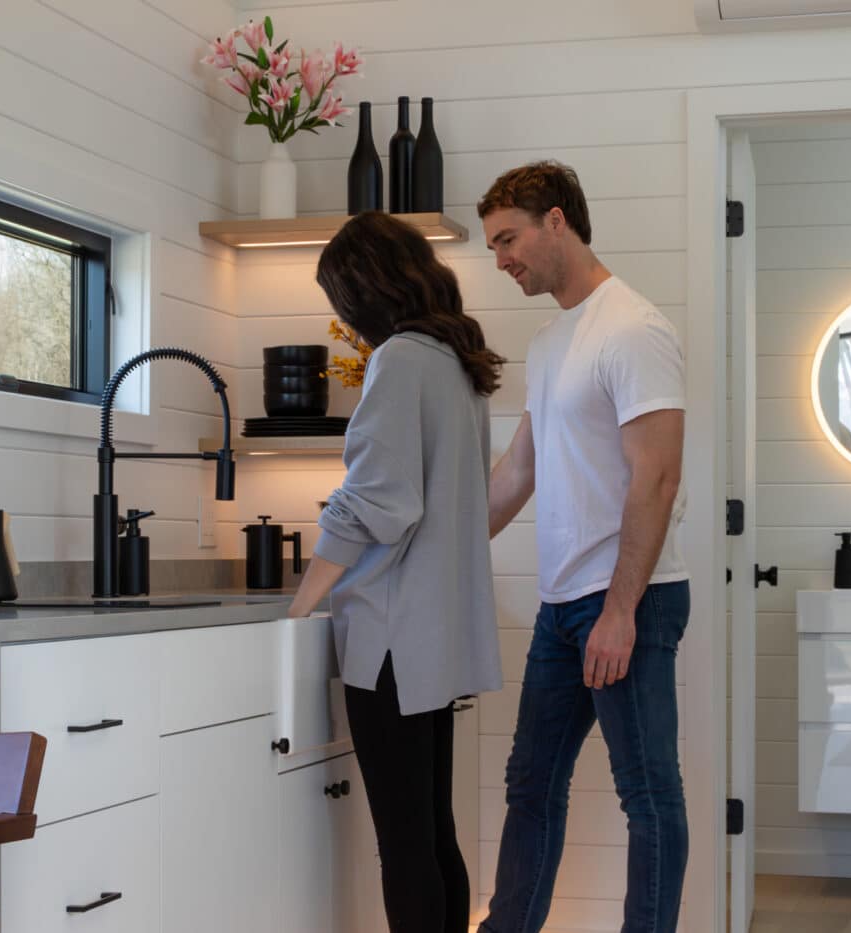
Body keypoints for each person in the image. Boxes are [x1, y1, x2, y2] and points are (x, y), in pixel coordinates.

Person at [474, 161, 690, 933]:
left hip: (629, 598)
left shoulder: (633, 328)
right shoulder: (548, 341)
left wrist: (620, 610)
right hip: (561, 602)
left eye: (509, 238)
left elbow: (657, 476)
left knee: (647, 793)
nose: (502, 259)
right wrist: (445, 555)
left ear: (557, 221)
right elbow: (519, 469)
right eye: (494, 245)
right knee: (531, 783)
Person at [287, 210, 505, 933]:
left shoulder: (400, 359)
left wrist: (300, 604)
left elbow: (377, 500)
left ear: (364, 289)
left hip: (388, 644)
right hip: (433, 640)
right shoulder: (455, 363)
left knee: (404, 844)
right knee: (433, 833)